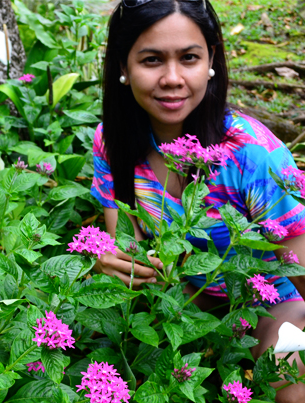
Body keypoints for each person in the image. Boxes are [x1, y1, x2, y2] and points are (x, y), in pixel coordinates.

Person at [90, 0, 305, 401]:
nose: (172, 78)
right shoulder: (113, 142)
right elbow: (126, 240)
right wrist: (116, 260)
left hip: (264, 303)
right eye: (152, 60)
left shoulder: (248, 154)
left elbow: (300, 263)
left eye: (189, 58)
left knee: (292, 385)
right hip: (175, 302)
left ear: (211, 61)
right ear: (123, 66)